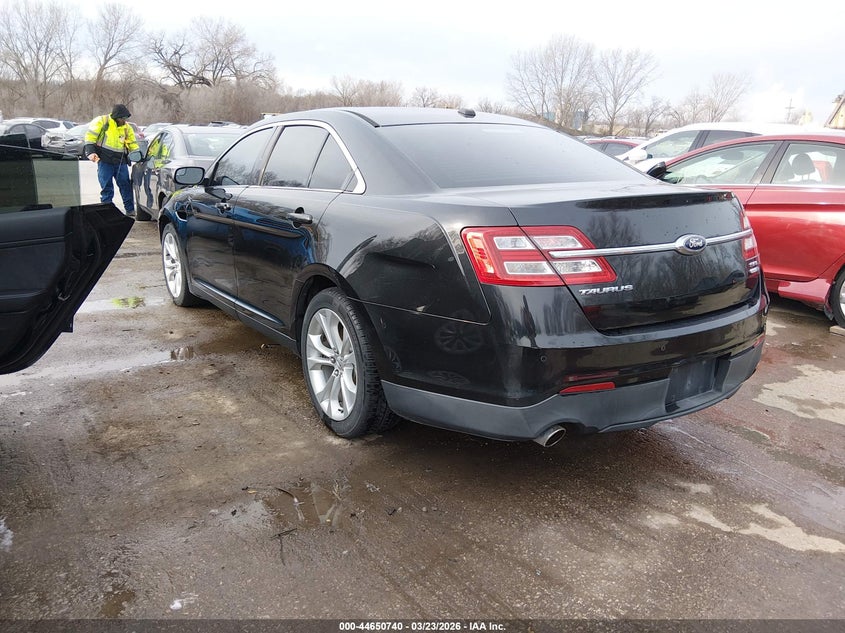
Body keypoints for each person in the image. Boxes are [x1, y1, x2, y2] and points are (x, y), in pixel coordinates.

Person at [83, 104, 139, 217]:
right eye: (122, 118)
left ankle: (130, 210)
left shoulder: (127, 128)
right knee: (106, 187)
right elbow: (90, 137)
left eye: (125, 118)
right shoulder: (102, 121)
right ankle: (107, 211)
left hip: (120, 161)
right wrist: (91, 152)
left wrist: (138, 155)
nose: (124, 121)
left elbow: (133, 144)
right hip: (104, 161)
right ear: (116, 117)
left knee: (125, 186)